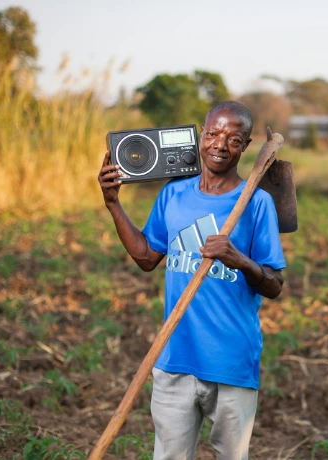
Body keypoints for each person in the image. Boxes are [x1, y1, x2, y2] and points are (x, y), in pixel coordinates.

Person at [98, 101, 286, 460]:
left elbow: (274, 285)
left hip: (231, 361)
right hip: (174, 358)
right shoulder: (173, 194)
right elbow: (146, 258)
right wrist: (113, 204)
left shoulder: (257, 203)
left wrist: (238, 259)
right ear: (201, 136)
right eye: (213, 134)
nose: (220, 145)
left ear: (246, 147)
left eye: (234, 139)